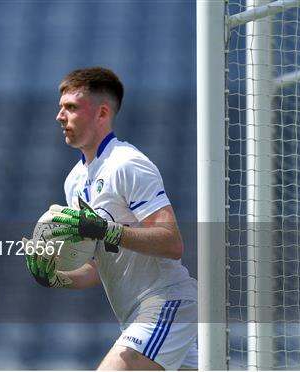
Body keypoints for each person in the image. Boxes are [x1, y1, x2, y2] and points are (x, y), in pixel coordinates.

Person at [25, 67, 198, 370]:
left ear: (101, 113)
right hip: (134, 316)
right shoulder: (74, 181)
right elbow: (96, 266)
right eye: (60, 107)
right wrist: (56, 278)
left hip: (165, 304)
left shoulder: (127, 164)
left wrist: (106, 230)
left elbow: (172, 242)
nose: (59, 116)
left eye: (71, 107)